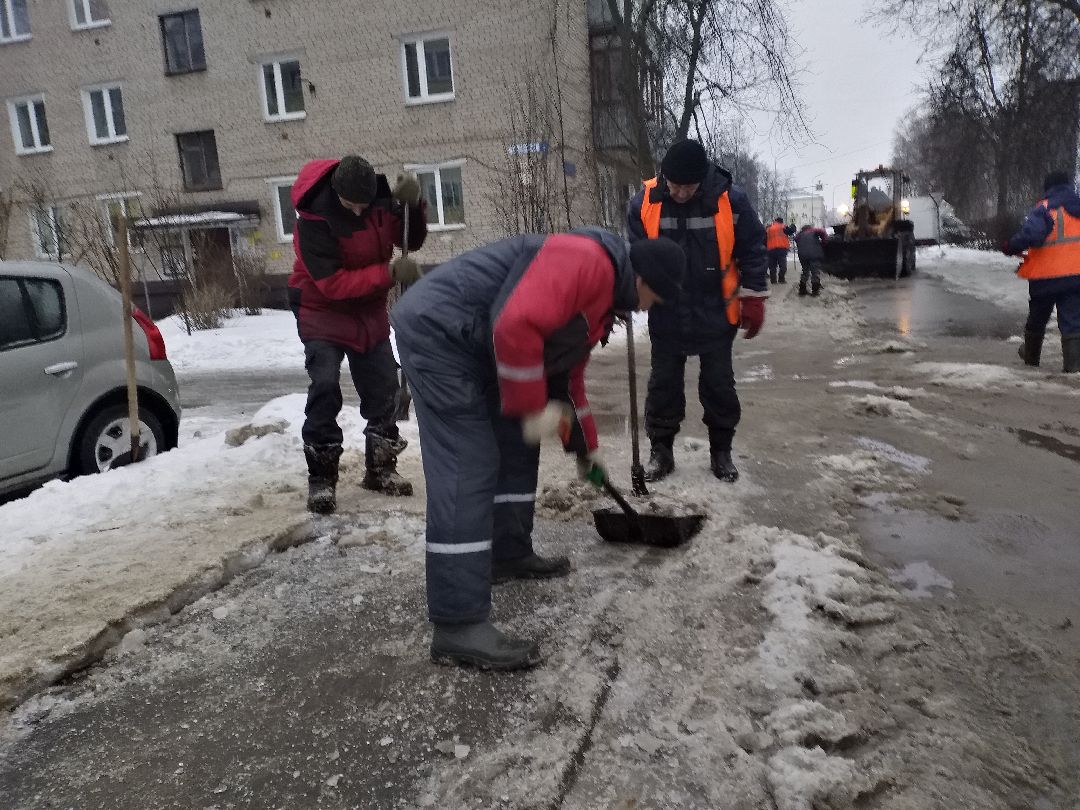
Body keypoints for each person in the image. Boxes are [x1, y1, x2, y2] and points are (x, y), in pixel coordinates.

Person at [391, 228, 685, 670]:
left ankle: (507, 551)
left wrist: (587, 451)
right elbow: (515, 323)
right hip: (442, 333)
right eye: (654, 300)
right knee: (467, 463)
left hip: (477, 340)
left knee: (514, 444)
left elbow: (567, 380)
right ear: (643, 280)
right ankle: (457, 624)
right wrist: (532, 407)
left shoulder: (604, 299)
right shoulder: (587, 262)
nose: (648, 310)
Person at [288, 155, 428, 514]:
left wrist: (414, 205)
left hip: (367, 310)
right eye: (352, 204)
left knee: (384, 387)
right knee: (324, 386)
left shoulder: (378, 203)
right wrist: (389, 272)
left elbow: (410, 236)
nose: (359, 211)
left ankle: (381, 469)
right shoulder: (313, 222)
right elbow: (332, 284)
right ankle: (321, 479)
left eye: (364, 204)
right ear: (337, 193)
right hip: (323, 311)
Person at [627, 139, 768, 484]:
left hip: (715, 310)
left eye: (687, 187)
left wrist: (753, 297)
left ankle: (721, 452)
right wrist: (630, 292)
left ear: (701, 180)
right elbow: (635, 255)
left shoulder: (730, 200)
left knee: (719, 384)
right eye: (673, 185)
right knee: (663, 385)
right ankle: (661, 451)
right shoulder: (644, 201)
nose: (679, 193)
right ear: (664, 178)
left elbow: (753, 248)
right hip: (667, 310)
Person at [1002, 170, 1080, 373]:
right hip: (1076, 277)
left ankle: (1031, 361)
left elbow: (1032, 234)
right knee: (1072, 321)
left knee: (1037, 319)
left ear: (1048, 188)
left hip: (1045, 277)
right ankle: (1073, 368)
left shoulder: (1044, 208)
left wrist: (1010, 246)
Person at [794, 224, 828, 297]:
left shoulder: (800, 234)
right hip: (814, 254)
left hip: (802, 256)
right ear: (810, 228)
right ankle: (815, 291)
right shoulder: (814, 230)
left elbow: (796, 239)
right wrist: (824, 242)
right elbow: (822, 231)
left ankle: (802, 290)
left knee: (805, 271)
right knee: (815, 272)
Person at [765, 217, 797, 284]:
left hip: (771, 249)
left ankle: (773, 280)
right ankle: (781, 279)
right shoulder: (783, 227)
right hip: (781, 249)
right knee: (783, 266)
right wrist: (793, 225)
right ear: (781, 222)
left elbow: (764, 239)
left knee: (772, 266)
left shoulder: (769, 228)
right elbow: (791, 231)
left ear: (775, 221)